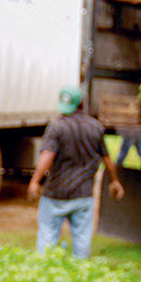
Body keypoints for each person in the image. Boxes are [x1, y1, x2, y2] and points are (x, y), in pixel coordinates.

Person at [26, 86, 124, 258]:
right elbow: (107, 159)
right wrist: (114, 181)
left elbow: (47, 155)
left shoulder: (57, 127)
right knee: (82, 240)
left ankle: (42, 273)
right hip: (83, 195)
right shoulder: (96, 127)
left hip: (56, 193)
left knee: (47, 237)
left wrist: (35, 181)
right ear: (82, 104)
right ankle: (80, 274)